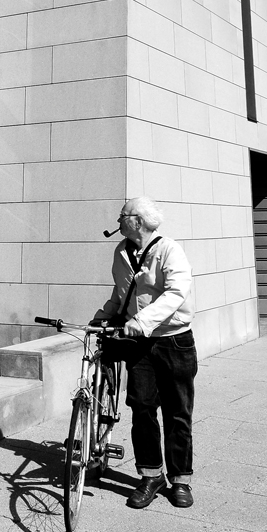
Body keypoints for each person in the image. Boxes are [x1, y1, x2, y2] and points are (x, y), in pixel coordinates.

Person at [91, 197, 198, 510]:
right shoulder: (121, 252)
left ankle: (181, 480)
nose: (119, 220)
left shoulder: (170, 250)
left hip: (173, 341)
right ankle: (151, 476)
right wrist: (106, 314)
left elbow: (176, 293)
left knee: (178, 413)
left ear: (136, 220)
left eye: (123, 215)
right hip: (138, 343)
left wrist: (142, 321)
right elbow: (122, 293)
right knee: (142, 407)